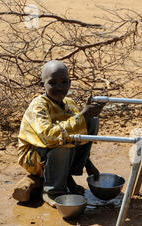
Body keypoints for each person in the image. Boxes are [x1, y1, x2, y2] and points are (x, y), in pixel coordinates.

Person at [17, 60, 105, 208]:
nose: (59, 87)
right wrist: (82, 116)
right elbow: (49, 137)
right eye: (53, 83)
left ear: (69, 83)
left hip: (57, 151)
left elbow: (78, 134)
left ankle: (65, 177)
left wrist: (88, 164)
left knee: (91, 121)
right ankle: (52, 191)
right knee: (63, 141)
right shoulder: (38, 106)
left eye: (64, 82)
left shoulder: (69, 103)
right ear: (42, 84)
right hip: (34, 156)